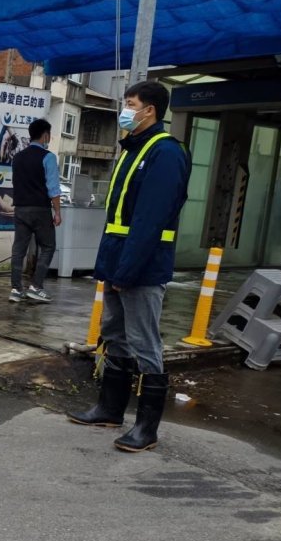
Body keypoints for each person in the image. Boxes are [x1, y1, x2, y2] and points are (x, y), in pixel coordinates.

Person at [67, 80, 190, 453]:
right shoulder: (134, 149)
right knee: (114, 334)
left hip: (141, 267)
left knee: (144, 341)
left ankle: (146, 428)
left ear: (149, 109)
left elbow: (150, 220)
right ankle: (109, 408)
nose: (126, 109)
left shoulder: (164, 152)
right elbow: (119, 217)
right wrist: (111, 267)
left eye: (130, 103)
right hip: (119, 261)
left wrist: (127, 271)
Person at [9, 119, 61, 303]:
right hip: (40, 209)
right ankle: (36, 286)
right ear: (45, 135)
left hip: (20, 209)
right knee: (48, 246)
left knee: (18, 249)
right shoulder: (48, 157)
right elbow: (53, 188)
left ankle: (16, 290)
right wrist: (57, 212)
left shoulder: (18, 157)